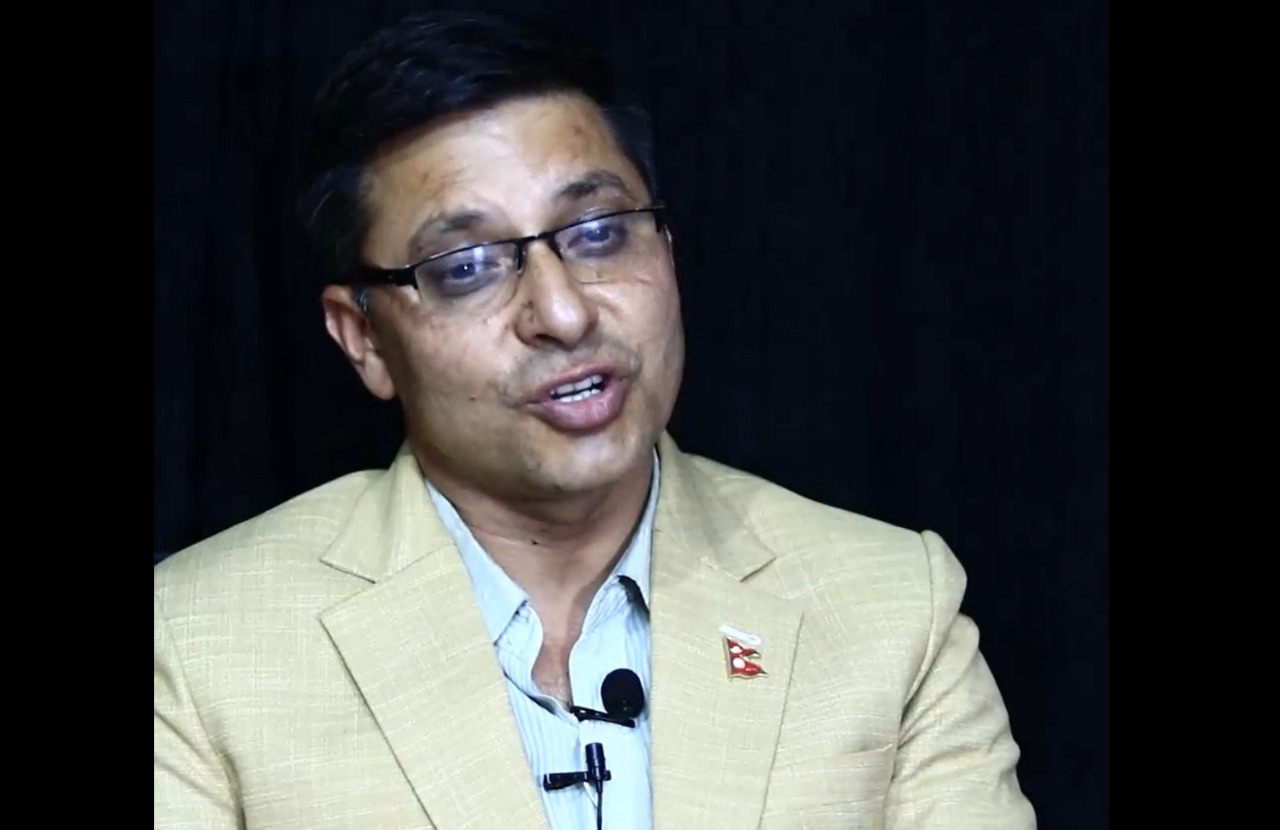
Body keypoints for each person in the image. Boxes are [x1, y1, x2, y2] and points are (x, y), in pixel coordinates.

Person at [153, 9, 1036, 830]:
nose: (563, 313)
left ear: (669, 248)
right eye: (467, 266)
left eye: (599, 231)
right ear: (365, 341)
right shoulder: (196, 646)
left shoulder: (890, 607)